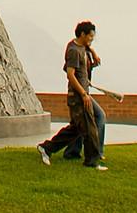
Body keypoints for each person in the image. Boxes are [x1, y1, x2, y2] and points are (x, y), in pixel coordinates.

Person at [36, 20, 108, 169]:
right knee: (89, 128)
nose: (91, 39)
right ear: (82, 34)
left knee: (76, 129)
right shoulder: (74, 50)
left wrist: (93, 53)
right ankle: (92, 161)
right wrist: (83, 94)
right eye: (90, 36)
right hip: (78, 96)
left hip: (84, 93)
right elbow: (70, 74)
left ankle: (47, 148)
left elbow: (85, 56)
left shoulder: (82, 47)